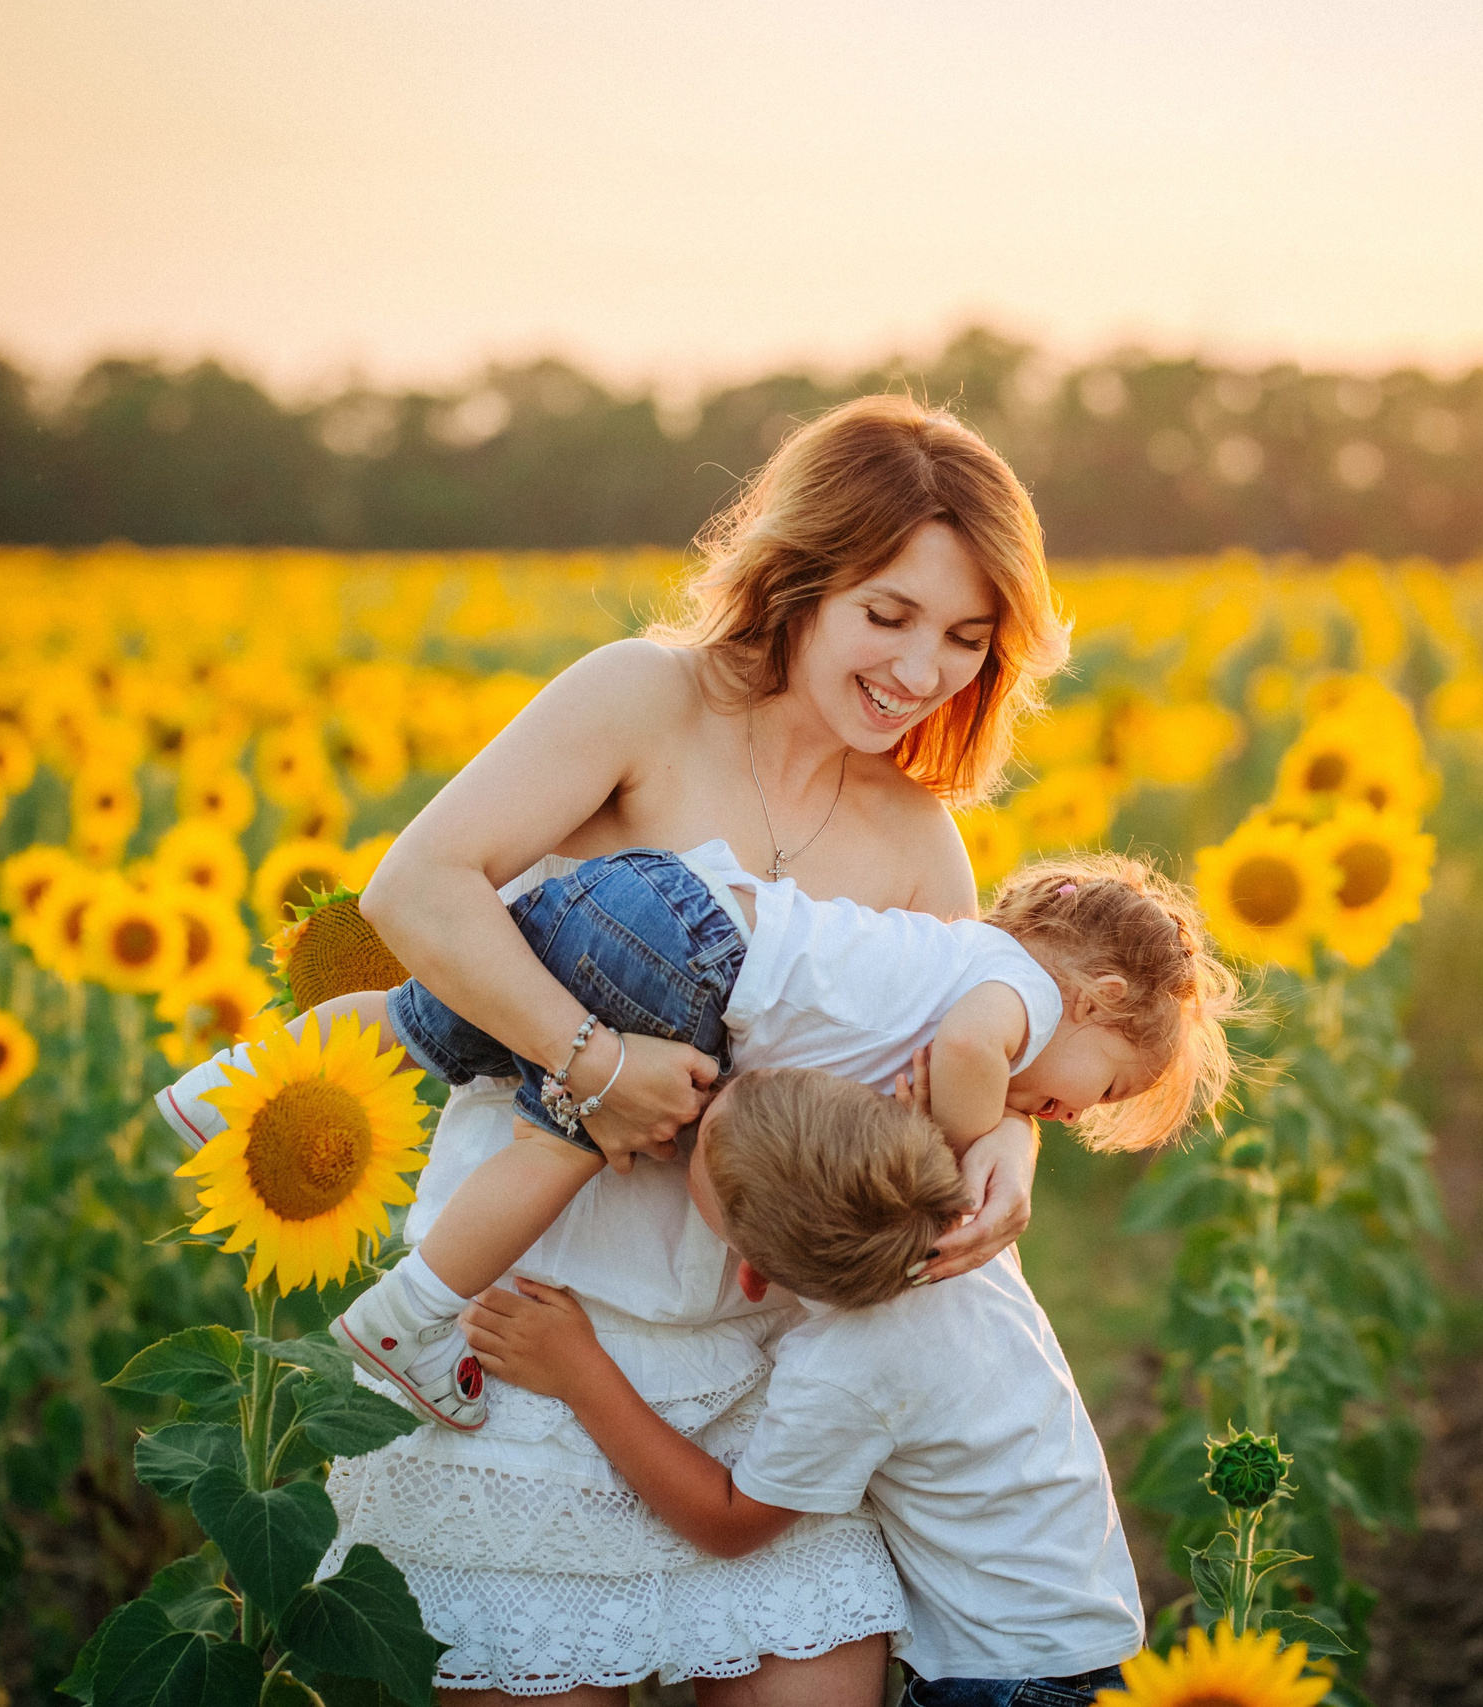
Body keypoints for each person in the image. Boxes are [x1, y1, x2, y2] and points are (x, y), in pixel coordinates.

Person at [263, 394, 1066, 1705]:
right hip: (523, 1331)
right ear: (797, 578)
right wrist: (586, 1056)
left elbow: (969, 1035)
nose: (925, 670)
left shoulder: (923, 840)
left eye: (968, 639)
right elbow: (420, 889)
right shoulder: (643, 699)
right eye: (890, 613)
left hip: (765, 1374)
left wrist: (1009, 1139)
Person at [157, 849, 1237, 1434]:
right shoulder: (1016, 1006)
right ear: (1094, 1001)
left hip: (658, 890)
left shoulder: (958, 947)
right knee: (563, 1142)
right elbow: (968, 1055)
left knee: (422, 1023)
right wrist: (959, 1134)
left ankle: (223, 1092)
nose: (1061, 1114)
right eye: (1100, 1092)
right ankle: (410, 1321)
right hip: (693, 969)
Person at [460, 1059, 1146, 1706]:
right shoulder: (966, 1236)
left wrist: (582, 1373)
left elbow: (729, 1521)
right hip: (1078, 1632)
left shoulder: (842, 1367)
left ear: (751, 1276)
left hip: (1005, 1675)